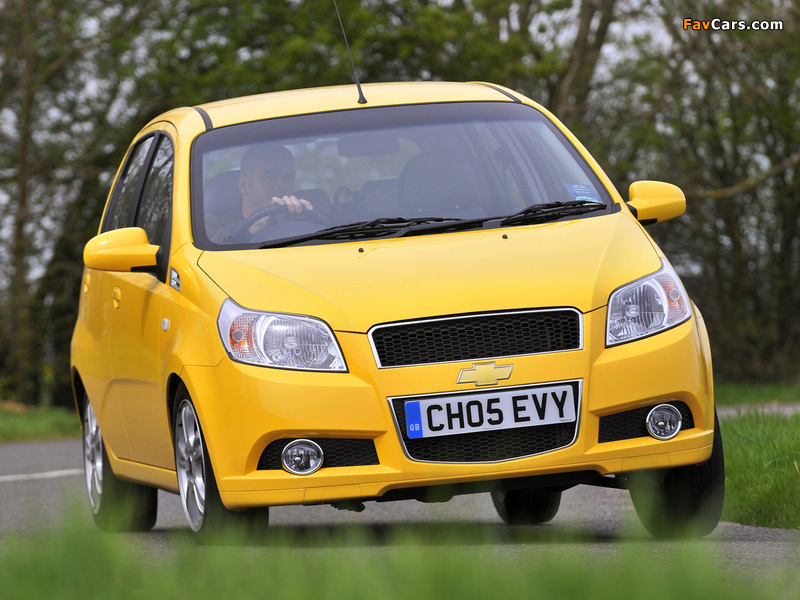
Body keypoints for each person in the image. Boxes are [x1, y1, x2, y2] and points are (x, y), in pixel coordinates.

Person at [209, 144, 314, 242]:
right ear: (244, 184)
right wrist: (251, 228)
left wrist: (305, 225)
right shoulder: (211, 225)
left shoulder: (305, 220)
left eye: (289, 179)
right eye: (270, 177)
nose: (282, 185)